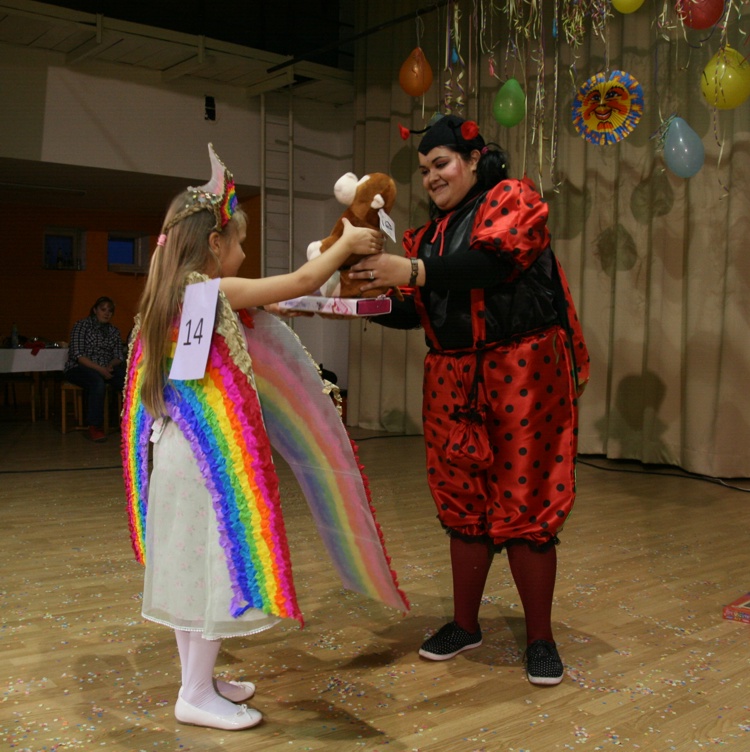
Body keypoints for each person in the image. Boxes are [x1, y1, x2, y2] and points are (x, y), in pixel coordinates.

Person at [121, 144, 385, 731]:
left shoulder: (170, 296)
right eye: (240, 243)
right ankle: (195, 693)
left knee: (192, 569)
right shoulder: (207, 293)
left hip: (177, 452)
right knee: (215, 568)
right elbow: (303, 278)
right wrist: (345, 242)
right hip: (204, 461)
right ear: (214, 245)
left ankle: (196, 681)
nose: (244, 254)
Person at [349, 114, 590, 686]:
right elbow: (417, 307)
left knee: (527, 501)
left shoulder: (511, 200)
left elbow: (493, 263)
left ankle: (540, 638)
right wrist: (356, 302)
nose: (431, 177)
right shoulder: (430, 236)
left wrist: (409, 269)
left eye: (441, 163)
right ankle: (465, 624)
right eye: (424, 169)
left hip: (523, 369)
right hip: (451, 377)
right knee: (462, 500)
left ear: (475, 159)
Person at [63, 296, 125, 442]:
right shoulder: (82, 325)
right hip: (80, 367)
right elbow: (78, 355)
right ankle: (94, 427)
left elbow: (119, 355)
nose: (107, 313)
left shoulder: (114, 331)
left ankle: (130, 421)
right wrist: (100, 369)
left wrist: (110, 366)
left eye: (110, 311)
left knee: (128, 380)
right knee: (97, 382)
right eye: (103, 309)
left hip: (106, 367)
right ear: (95, 310)